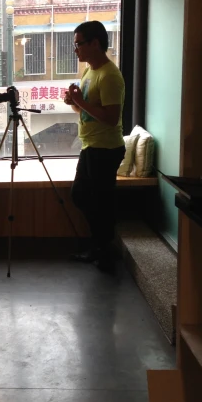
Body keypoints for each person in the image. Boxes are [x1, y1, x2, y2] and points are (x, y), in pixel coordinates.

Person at [64, 20, 126, 272]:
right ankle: (101, 245)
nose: (75, 49)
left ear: (95, 43)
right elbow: (85, 110)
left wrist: (81, 101)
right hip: (91, 145)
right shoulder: (90, 71)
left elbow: (111, 118)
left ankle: (103, 249)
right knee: (81, 195)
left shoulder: (110, 76)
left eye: (79, 44)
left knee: (99, 201)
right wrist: (73, 101)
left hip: (106, 148)